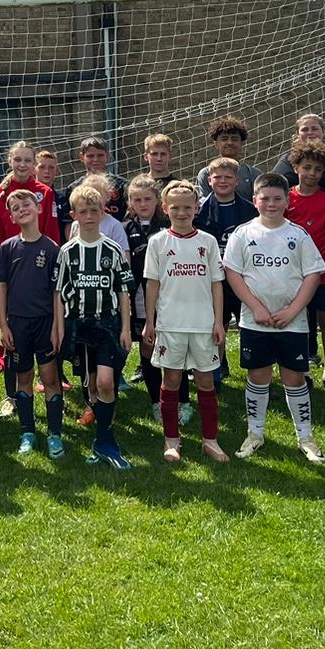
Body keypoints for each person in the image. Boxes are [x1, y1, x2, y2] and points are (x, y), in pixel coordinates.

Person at [223, 172, 325, 463]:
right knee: (258, 375)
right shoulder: (243, 234)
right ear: (255, 200)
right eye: (265, 198)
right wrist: (256, 307)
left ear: (287, 201)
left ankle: (305, 437)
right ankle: (255, 434)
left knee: (294, 378)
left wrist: (293, 310)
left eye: (277, 198)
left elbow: (313, 275)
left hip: (291, 322)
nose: (271, 203)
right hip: (255, 321)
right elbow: (233, 273)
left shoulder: (298, 235)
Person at [144, 180, 228, 464]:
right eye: (175, 208)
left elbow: (217, 284)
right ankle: (171, 440)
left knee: (206, 381)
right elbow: (152, 284)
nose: (182, 213)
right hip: (170, 325)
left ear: (196, 208)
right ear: (165, 209)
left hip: (203, 324)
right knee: (172, 380)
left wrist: (218, 321)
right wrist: (150, 322)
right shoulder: (158, 242)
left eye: (187, 207)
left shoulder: (208, 241)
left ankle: (210, 440)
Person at [57, 183, 135, 468]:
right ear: (74, 214)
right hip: (78, 324)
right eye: (83, 211)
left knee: (105, 382)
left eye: (94, 210)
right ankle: (100, 440)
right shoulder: (67, 252)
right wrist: (60, 328)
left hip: (108, 324)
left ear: (102, 212)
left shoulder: (112, 249)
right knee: (89, 383)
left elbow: (124, 290)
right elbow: (58, 292)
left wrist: (126, 329)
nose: (89, 216)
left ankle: (106, 441)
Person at [0, 189, 63, 455]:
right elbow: (2, 285)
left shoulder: (52, 249)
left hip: (45, 323)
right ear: (11, 216)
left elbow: (57, 292)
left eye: (26, 204)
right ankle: (27, 432)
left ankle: (55, 434)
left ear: (38, 209)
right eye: (15, 207)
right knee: (23, 378)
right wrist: (5, 323)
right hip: (18, 324)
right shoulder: (7, 248)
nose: (22, 209)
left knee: (50, 378)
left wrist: (58, 327)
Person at [194, 156, 257, 380]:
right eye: (217, 177)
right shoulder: (198, 212)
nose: (222, 181)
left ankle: (256, 369)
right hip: (212, 278)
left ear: (237, 181)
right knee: (216, 324)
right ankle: (217, 368)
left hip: (243, 277)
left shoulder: (250, 210)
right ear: (209, 180)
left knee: (249, 323)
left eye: (228, 177)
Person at [125, 174, 181, 422]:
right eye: (137, 199)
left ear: (157, 200)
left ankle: (182, 400)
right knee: (148, 346)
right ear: (130, 202)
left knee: (173, 347)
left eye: (147, 198)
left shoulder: (168, 224)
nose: (143, 204)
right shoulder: (125, 228)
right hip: (140, 294)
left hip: (170, 294)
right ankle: (155, 401)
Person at [285, 139, 325, 382]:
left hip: (323, 272)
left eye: (318, 169)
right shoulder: (284, 200)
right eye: (307, 167)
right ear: (296, 167)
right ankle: (301, 370)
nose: (312, 174)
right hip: (292, 273)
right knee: (297, 323)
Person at [0, 139, 63, 253]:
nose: (22, 165)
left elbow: (52, 233)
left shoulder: (46, 192)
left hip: (40, 259)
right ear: (10, 161)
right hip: (11, 259)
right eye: (17, 160)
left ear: (34, 164)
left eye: (27, 160)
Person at [194, 115, 261, 201]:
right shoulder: (205, 174)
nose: (229, 142)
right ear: (216, 144)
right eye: (224, 139)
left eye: (234, 139)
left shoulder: (253, 174)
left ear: (241, 143)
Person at [272, 112, 325, 188]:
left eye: (314, 129)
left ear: (323, 132)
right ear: (298, 134)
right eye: (305, 130)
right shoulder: (287, 160)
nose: (310, 132)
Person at [66, 135, 128, 220]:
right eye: (90, 156)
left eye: (100, 155)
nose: (96, 159)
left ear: (107, 156)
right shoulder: (74, 188)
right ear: (81, 157)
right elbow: (70, 222)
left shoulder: (122, 185)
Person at [34, 149, 74, 234]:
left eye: (51, 168)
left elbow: (68, 228)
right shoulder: (27, 197)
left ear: (57, 171)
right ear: (34, 170)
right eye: (42, 167)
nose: (47, 171)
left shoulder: (62, 200)